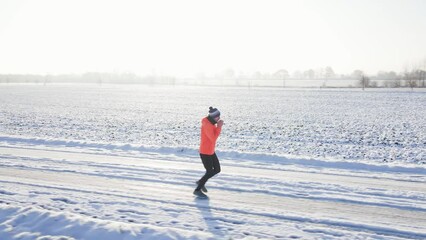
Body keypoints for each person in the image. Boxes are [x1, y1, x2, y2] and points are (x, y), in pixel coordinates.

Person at [193, 106, 224, 198]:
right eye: (217, 117)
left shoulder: (211, 123)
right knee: (210, 171)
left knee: (217, 169)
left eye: (219, 116)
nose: (219, 118)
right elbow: (213, 138)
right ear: (213, 117)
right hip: (205, 152)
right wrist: (219, 127)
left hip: (210, 151)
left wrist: (217, 126)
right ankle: (197, 190)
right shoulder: (208, 125)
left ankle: (200, 182)